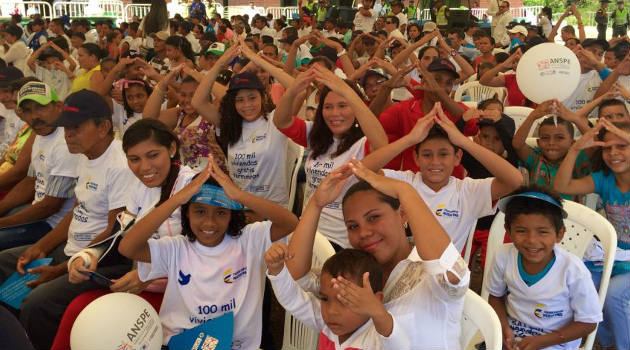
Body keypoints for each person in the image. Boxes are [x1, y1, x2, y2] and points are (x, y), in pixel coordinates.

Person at [0, 90, 135, 350]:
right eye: (65, 128)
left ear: (104, 127)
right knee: (6, 263)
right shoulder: (86, 156)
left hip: (101, 263)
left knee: (37, 303)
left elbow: (112, 235)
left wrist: (59, 269)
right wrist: (41, 246)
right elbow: (77, 211)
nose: (67, 134)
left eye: (75, 127)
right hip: (71, 251)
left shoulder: (119, 165)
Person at [286, 159, 469, 349]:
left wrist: (404, 191)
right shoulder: (356, 273)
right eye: (353, 226)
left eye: (374, 217)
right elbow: (294, 276)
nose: (363, 233)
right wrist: (316, 203)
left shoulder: (428, 272)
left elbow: (452, 271)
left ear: (403, 214)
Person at [118, 156, 298, 348]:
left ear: (232, 213)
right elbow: (128, 247)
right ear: (186, 212)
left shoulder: (249, 240)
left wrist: (239, 195)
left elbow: (290, 222)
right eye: (200, 211)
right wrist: (177, 199)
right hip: (180, 342)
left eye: (221, 212)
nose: (209, 223)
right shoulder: (176, 248)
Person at [361, 102, 522, 252]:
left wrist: (463, 142)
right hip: (404, 274)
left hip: (446, 279)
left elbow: (515, 180)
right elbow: (361, 171)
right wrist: (409, 139)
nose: (435, 162)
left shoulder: (467, 190)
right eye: (427, 155)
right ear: (416, 158)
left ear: (457, 158)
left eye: (444, 154)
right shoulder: (405, 181)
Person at [274, 65, 387, 249]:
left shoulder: (363, 144)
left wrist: (345, 89)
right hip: (308, 232)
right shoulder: (316, 136)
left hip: (343, 242)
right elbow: (281, 121)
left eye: (343, 106)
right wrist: (295, 87)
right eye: (328, 107)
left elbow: (382, 145)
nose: (335, 114)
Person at [487, 187, 603, 350]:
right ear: (509, 231)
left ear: (560, 234)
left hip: (556, 343)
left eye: (542, 232)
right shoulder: (503, 256)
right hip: (511, 339)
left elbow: (589, 322)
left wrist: (543, 341)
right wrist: (504, 329)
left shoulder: (573, 270)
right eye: (521, 231)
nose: (532, 240)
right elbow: (495, 297)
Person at [553, 120, 630, 350]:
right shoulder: (604, 180)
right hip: (615, 256)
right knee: (581, 284)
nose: (613, 153)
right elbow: (561, 186)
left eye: (622, 145)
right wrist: (575, 149)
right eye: (607, 147)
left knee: (614, 293)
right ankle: (607, 343)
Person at [192, 44, 292, 210]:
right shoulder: (230, 124)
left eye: (252, 98)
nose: (247, 105)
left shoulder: (276, 121)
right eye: (240, 100)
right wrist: (219, 64)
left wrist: (258, 60)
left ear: (263, 96)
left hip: (273, 210)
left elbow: (296, 87)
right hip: (239, 208)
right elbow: (198, 102)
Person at [265, 245, 409, 348]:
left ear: (375, 301)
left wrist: (377, 312)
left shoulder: (376, 339)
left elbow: (396, 341)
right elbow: (292, 299)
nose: (331, 311)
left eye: (345, 300)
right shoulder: (326, 322)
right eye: (325, 299)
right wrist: (277, 270)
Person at [0, 81, 79, 251]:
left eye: (40, 107)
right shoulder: (40, 134)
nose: (34, 116)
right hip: (38, 214)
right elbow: (30, 181)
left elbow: (51, 206)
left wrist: (3, 223)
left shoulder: (66, 142)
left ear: (58, 106)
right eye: (27, 110)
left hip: (53, 225)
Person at [144, 66, 226, 171]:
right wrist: (163, 83)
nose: (187, 100)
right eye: (183, 95)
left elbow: (230, 99)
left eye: (193, 94)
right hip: (185, 180)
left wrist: (202, 79)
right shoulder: (179, 115)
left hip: (212, 182)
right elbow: (148, 119)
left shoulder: (213, 112)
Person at [512, 101, 591, 197]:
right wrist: (532, 116)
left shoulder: (577, 159)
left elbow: (597, 146)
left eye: (559, 138)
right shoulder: (536, 159)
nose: (551, 143)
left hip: (570, 210)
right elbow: (517, 145)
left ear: (572, 143)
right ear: (538, 143)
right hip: (538, 209)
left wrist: (575, 119)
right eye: (545, 138)